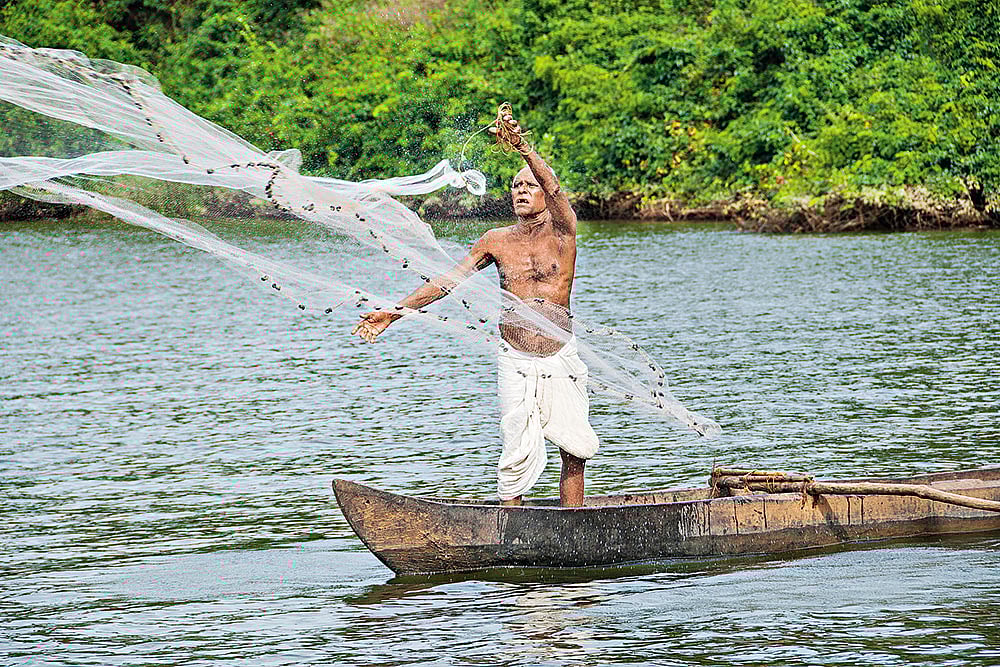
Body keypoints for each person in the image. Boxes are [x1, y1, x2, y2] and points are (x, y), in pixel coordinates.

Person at [352, 110, 598, 507]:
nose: (520, 190)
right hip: (514, 358)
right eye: (515, 186)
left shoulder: (563, 232)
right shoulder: (495, 240)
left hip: (560, 356)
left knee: (574, 445)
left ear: (544, 195)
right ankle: (508, 523)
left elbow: (555, 189)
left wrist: (522, 148)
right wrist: (393, 313)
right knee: (514, 447)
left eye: (528, 186)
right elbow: (447, 281)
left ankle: (573, 523)